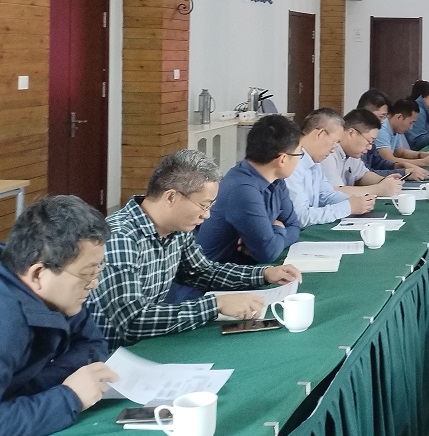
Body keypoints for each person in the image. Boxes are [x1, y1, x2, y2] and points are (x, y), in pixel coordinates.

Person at [88, 150, 301, 351]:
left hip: (148, 344)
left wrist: (263, 274)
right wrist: (215, 305)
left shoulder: (176, 229)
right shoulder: (120, 238)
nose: (206, 215)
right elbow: (132, 321)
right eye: (203, 205)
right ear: (171, 197)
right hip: (108, 357)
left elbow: (202, 272)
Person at [0, 196, 118, 436]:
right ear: (38, 273)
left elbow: (92, 344)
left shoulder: (57, 297)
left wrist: (34, 386)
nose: (94, 284)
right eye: (87, 274)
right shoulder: (6, 320)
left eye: (97, 271)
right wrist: (70, 396)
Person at [195, 114, 303, 265]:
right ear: (282, 159)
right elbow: (268, 252)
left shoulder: (277, 181)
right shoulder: (242, 189)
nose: (299, 159)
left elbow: (295, 226)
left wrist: (273, 237)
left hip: (244, 269)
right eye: (299, 154)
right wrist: (278, 228)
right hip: (216, 275)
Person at [286, 108, 400, 227]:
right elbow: (300, 217)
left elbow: (326, 195)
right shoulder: (292, 163)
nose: (334, 149)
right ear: (320, 134)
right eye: (334, 142)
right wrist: (348, 207)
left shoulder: (314, 161)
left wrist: (357, 201)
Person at [321, 109, 421, 189]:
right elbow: (335, 191)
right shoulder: (328, 152)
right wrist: (378, 189)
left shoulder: (352, 154)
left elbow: (363, 175)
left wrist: (385, 181)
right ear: (351, 133)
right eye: (369, 141)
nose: (369, 147)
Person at [357, 90, 429, 177]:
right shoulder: (379, 131)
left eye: (384, 117)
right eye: (381, 117)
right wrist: (416, 166)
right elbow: (365, 175)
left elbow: (380, 163)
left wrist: (402, 165)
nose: (382, 122)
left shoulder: (376, 133)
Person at [377, 99, 429, 167]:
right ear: (399, 117)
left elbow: (400, 152)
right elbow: (388, 160)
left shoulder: (394, 128)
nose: (411, 127)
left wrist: (421, 155)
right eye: (411, 123)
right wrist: (423, 162)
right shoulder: (382, 129)